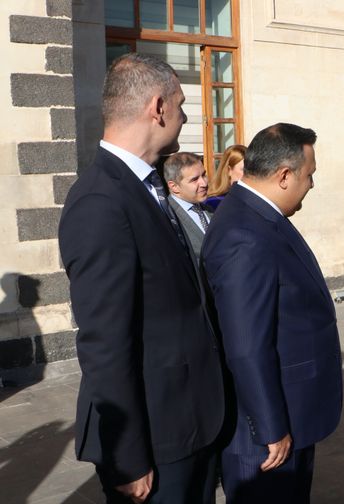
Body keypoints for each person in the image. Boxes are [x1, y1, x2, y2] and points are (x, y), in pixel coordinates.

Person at [58, 53, 224, 504]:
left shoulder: (143, 185)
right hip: (153, 439)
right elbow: (104, 342)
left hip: (189, 420)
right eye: (182, 104)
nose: (186, 116)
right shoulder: (100, 200)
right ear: (158, 107)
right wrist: (126, 457)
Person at [202, 123, 343, 503]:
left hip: (290, 412)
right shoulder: (244, 234)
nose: (311, 185)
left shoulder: (260, 216)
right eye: (308, 175)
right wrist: (270, 427)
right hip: (264, 435)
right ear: (284, 176)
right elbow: (246, 344)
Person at [164, 152, 212, 268]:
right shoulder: (166, 217)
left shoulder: (209, 210)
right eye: (194, 179)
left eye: (204, 175)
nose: (204, 183)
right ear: (174, 186)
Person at [205, 144, 246, 209]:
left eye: (251, 169)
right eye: (244, 170)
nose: (250, 174)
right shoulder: (214, 203)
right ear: (229, 170)